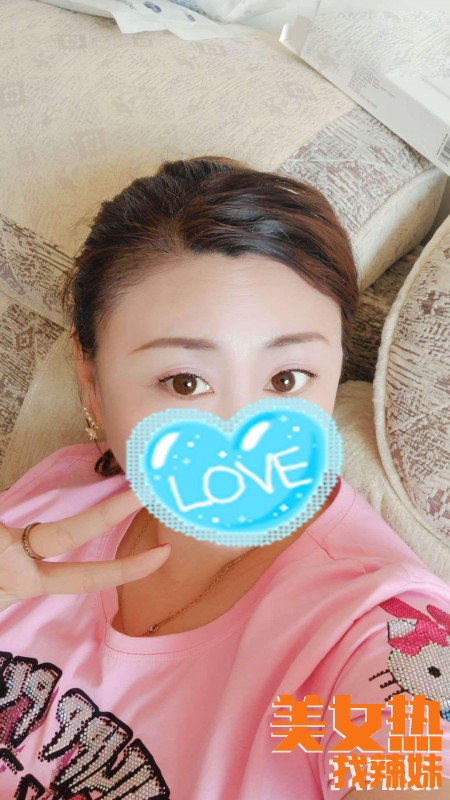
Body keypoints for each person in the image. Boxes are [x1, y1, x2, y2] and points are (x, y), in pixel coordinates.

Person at [0, 155, 449, 800]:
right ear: (90, 380)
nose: (242, 430)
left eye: (287, 379)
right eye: (185, 382)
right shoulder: (51, 499)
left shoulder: (386, 631)